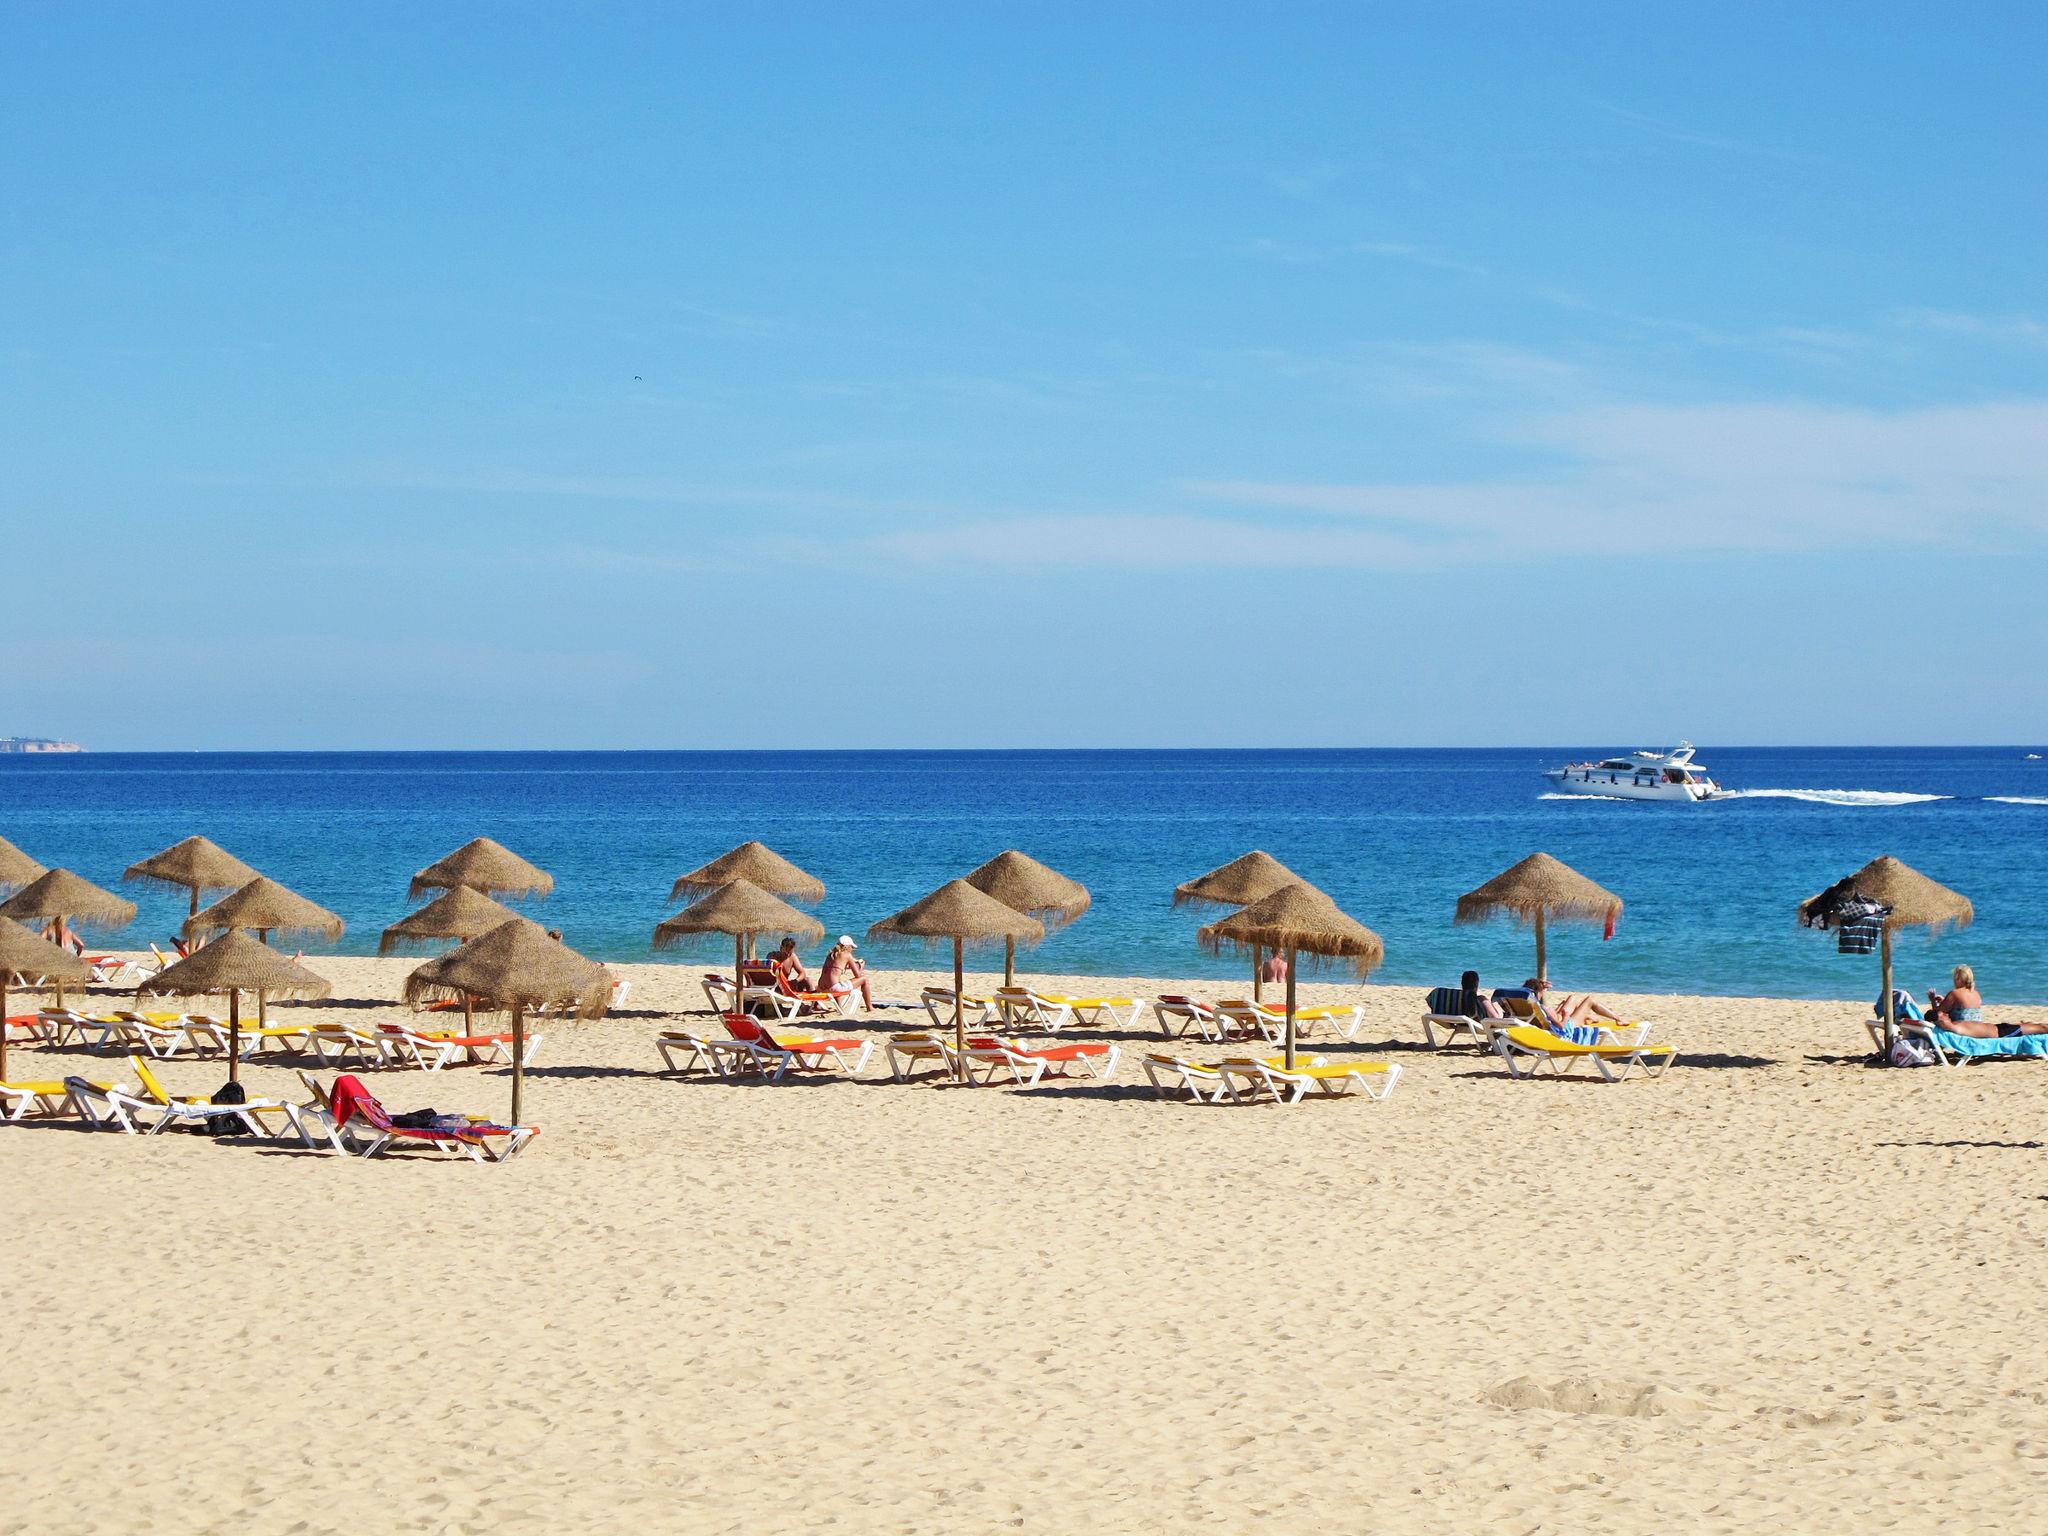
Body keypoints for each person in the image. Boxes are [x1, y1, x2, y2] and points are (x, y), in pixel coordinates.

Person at [1925, 965, 2048, 1038]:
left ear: (1958, 978)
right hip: (1996, 1030)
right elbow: (1939, 1014)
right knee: (2039, 1027)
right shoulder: (1975, 993)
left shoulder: (1955, 1022)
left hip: (1997, 1030)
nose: (1945, 1014)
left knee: (2039, 1027)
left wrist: (1934, 1003)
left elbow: (1938, 1012)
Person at [1527, 976, 1623, 1029]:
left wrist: (1559, 1008)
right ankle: (1618, 1018)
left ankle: (1586, 1017)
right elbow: (1561, 1026)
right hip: (1567, 1026)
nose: (1543, 993)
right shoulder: (1541, 1007)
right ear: (1538, 991)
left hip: (1556, 1020)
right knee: (1590, 1000)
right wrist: (1566, 1016)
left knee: (1573, 998)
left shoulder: (1530, 1007)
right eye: (1542, 991)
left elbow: (1548, 1019)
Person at [817, 936, 874, 1009]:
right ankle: (869, 1007)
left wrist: (847, 966)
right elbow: (858, 976)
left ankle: (839, 1007)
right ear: (846, 947)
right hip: (833, 989)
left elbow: (834, 968)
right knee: (864, 979)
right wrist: (861, 966)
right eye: (852, 947)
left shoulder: (831, 955)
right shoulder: (847, 955)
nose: (852, 949)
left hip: (821, 988)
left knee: (837, 982)